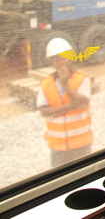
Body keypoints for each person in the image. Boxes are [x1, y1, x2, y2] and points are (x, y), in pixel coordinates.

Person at [36, 38, 94, 167]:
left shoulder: (82, 79)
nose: (61, 61)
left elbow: (82, 103)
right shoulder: (46, 84)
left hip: (81, 143)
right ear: (51, 62)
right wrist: (70, 106)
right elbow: (44, 111)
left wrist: (65, 85)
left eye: (64, 57)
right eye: (56, 59)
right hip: (58, 146)